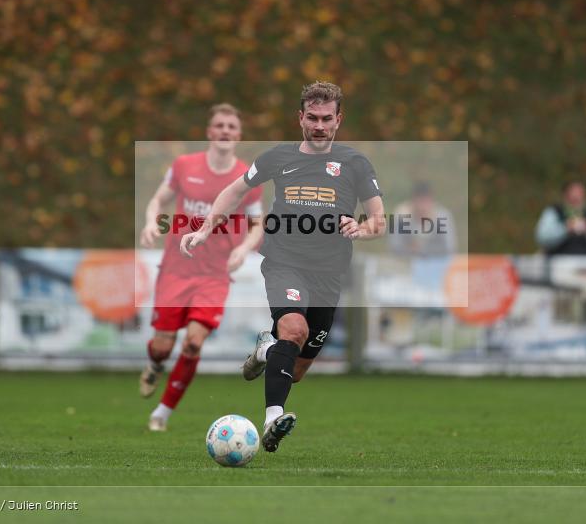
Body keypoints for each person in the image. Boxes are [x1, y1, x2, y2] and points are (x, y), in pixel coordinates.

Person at [180, 82, 386, 453]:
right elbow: (235, 190)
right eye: (312, 118)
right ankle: (273, 416)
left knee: (298, 367)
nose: (319, 125)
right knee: (294, 330)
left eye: (327, 119)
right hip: (284, 263)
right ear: (300, 118)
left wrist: (361, 229)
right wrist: (205, 228)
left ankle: (265, 350)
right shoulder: (278, 157)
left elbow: (378, 221)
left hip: (329, 274)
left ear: (339, 120)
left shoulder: (355, 163)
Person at [138, 103, 264, 432]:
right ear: (210, 132)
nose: (225, 131)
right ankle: (154, 364)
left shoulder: (248, 177)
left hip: (214, 276)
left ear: (238, 136)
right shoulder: (183, 166)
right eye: (219, 125)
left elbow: (258, 225)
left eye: (231, 127)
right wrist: (151, 222)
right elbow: (157, 199)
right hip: (176, 271)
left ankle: (161, 414)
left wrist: (245, 248)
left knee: (194, 342)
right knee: (163, 346)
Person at [534, 180, 586, 256]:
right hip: (558, 263)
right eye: (573, 197)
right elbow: (542, 238)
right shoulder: (553, 212)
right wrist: (566, 229)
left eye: (579, 195)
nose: (576, 199)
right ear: (565, 196)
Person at [388, 180, 456, 258]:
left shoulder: (442, 216)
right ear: (413, 200)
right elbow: (394, 246)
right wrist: (411, 251)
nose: (423, 206)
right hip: (407, 263)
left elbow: (449, 248)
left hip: (436, 264)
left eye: (426, 201)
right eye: (420, 201)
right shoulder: (401, 215)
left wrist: (422, 249)